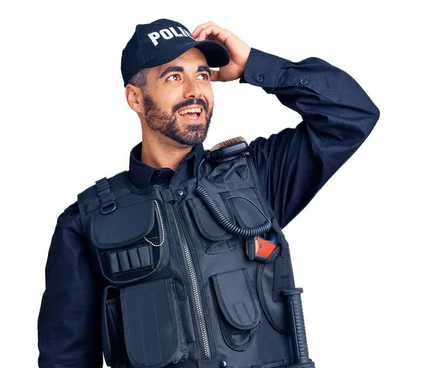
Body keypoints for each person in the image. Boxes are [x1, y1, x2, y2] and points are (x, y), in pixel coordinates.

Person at [37, 18, 379, 368]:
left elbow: (351, 115)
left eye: (201, 75)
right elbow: (64, 358)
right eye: (174, 77)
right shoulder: (87, 222)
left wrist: (254, 65)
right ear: (136, 98)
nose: (194, 91)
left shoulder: (258, 176)